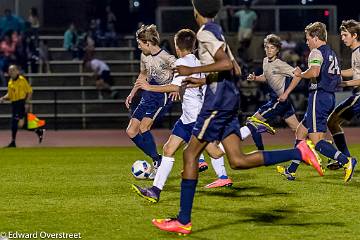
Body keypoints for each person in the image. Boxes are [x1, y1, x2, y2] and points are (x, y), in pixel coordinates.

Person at [151, 0, 323, 235]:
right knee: (237, 160)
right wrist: (200, 80)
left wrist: (189, 71)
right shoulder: (217, 31)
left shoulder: (204, 32)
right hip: (228, 100)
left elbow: (223, 64)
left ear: (196, 10)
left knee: (190, 154)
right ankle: (299, 152)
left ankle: (183, 220)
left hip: (217, 104)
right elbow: (235, 70)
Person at [131, 29, 233, 203]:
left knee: (215, 152)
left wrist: (148, 87)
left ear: (177, 47)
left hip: (196, 118)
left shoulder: (182, 63)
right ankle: (155, 191)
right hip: (188, 117)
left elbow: (174, 87)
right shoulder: (196, 61)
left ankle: (247, 132)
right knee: (168, 149)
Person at [277, 22, 357, 182]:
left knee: (317, 141)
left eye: (308, 38)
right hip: (328, 97)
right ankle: (291, 170)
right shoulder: (331, 53)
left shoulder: (316, 52)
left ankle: (346, 160)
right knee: (301, 131)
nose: (306, 42)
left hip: (319, 97)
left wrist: (300, 74)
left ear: (315, 37)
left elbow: (314, 72)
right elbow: (336, 77)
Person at [125, 24, 176, 178]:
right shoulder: (144, 56)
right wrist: (132, 93)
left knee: (144, 127)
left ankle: (157, 161)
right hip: (148, 92)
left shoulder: (167, 58)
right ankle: (157, 159)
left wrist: (176, 87)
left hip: (161, 95)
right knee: (131, 131)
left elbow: (182, 71)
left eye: (140, 44)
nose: (139, 48)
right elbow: (143, 75)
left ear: (147, 43)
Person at [245, 34, 301, 153]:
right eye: (267, 47)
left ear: (277, 50)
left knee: (251, 121)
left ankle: (261, 151)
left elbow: (298, 76)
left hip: (278, 101)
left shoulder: (280, 64)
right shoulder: (265, 61)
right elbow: (267, 77)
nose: (269, 50)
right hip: (280, 101)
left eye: (272, 48)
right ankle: (323, 145)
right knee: (299, 130)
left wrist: (286, 93)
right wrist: (255, 78)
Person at [327, 20, 360, 170]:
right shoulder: (355, 52)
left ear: (354, 35)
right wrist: (336, 73)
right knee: (333, 122)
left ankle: (345, 159)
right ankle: (345, 159)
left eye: (345, 35)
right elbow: (354, 71)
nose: (342, 38)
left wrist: (344, 84)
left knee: (332, 121)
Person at [0, 65, 45, 147]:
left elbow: (30, 91)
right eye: (10, 70)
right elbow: (10, 95)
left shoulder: (22, 80)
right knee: (20, 125)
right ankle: (38, 130)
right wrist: (3, 98)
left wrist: (27, 102)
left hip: (20, 103)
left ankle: (13, 142)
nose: (11, 72)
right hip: (14, 104)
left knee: (15, 123)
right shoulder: (10, 82)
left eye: (13, 70)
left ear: (17, 71)